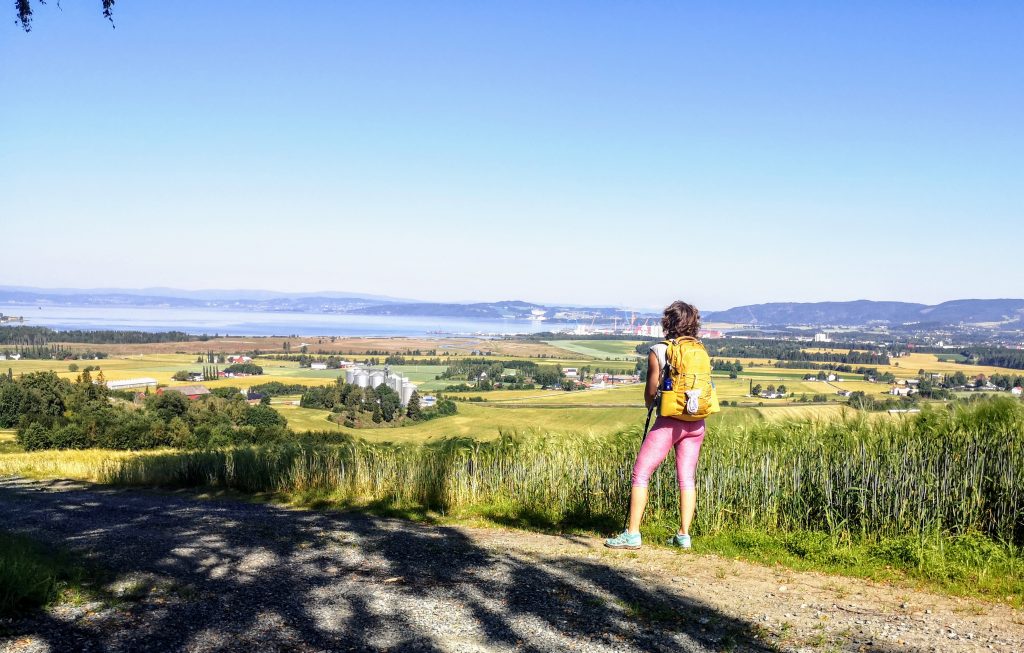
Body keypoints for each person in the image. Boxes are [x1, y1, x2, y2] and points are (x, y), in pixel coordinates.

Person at [605, 301, 708, 550]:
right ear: (694, 323)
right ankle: (683, 536)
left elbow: (650, 393)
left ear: (667, 322)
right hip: (696, 422)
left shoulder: (659, 350)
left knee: (641, 473)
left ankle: (632, 534)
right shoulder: (700, 349)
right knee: (687, 479)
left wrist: (652, 403)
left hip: (670, 420)